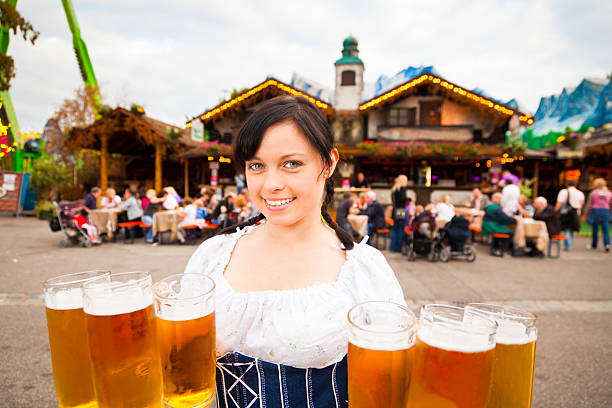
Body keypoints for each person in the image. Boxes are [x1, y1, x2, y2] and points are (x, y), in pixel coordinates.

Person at [184, 96, 404, 406]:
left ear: (328, 164)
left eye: (292, 164)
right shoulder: (213, 255)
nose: (271, 184)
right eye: (257, 165)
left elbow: (388, 384)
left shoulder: (364, 270)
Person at [555, 180, 585, 251]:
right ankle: (569, 244)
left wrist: (555, 211)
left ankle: (568, 246)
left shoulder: (564, 192)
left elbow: (559, 202)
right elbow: (581, 204)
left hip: (567, 214)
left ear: (567, 185)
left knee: (567, 229)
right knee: (571, 229)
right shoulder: (580, 193)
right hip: (576, 213)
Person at [584, 178, 611, 252]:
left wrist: (585, 214)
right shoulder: (609, 193)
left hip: (595, 212)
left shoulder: (593, 193)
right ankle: (607, 244)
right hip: (606, 212)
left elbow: (589, 204)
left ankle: (594, 245)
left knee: (595, 230)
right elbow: (611, 205)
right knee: (606, 230)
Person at [390, 174, 408, 252]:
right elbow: (403, 199)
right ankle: (398, 248)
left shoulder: (394, 189)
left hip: (394, 211)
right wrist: (409, 199)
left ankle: (393, 247)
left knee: (395, 230)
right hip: (401, 211)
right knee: (401, 230)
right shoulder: (403, 188)